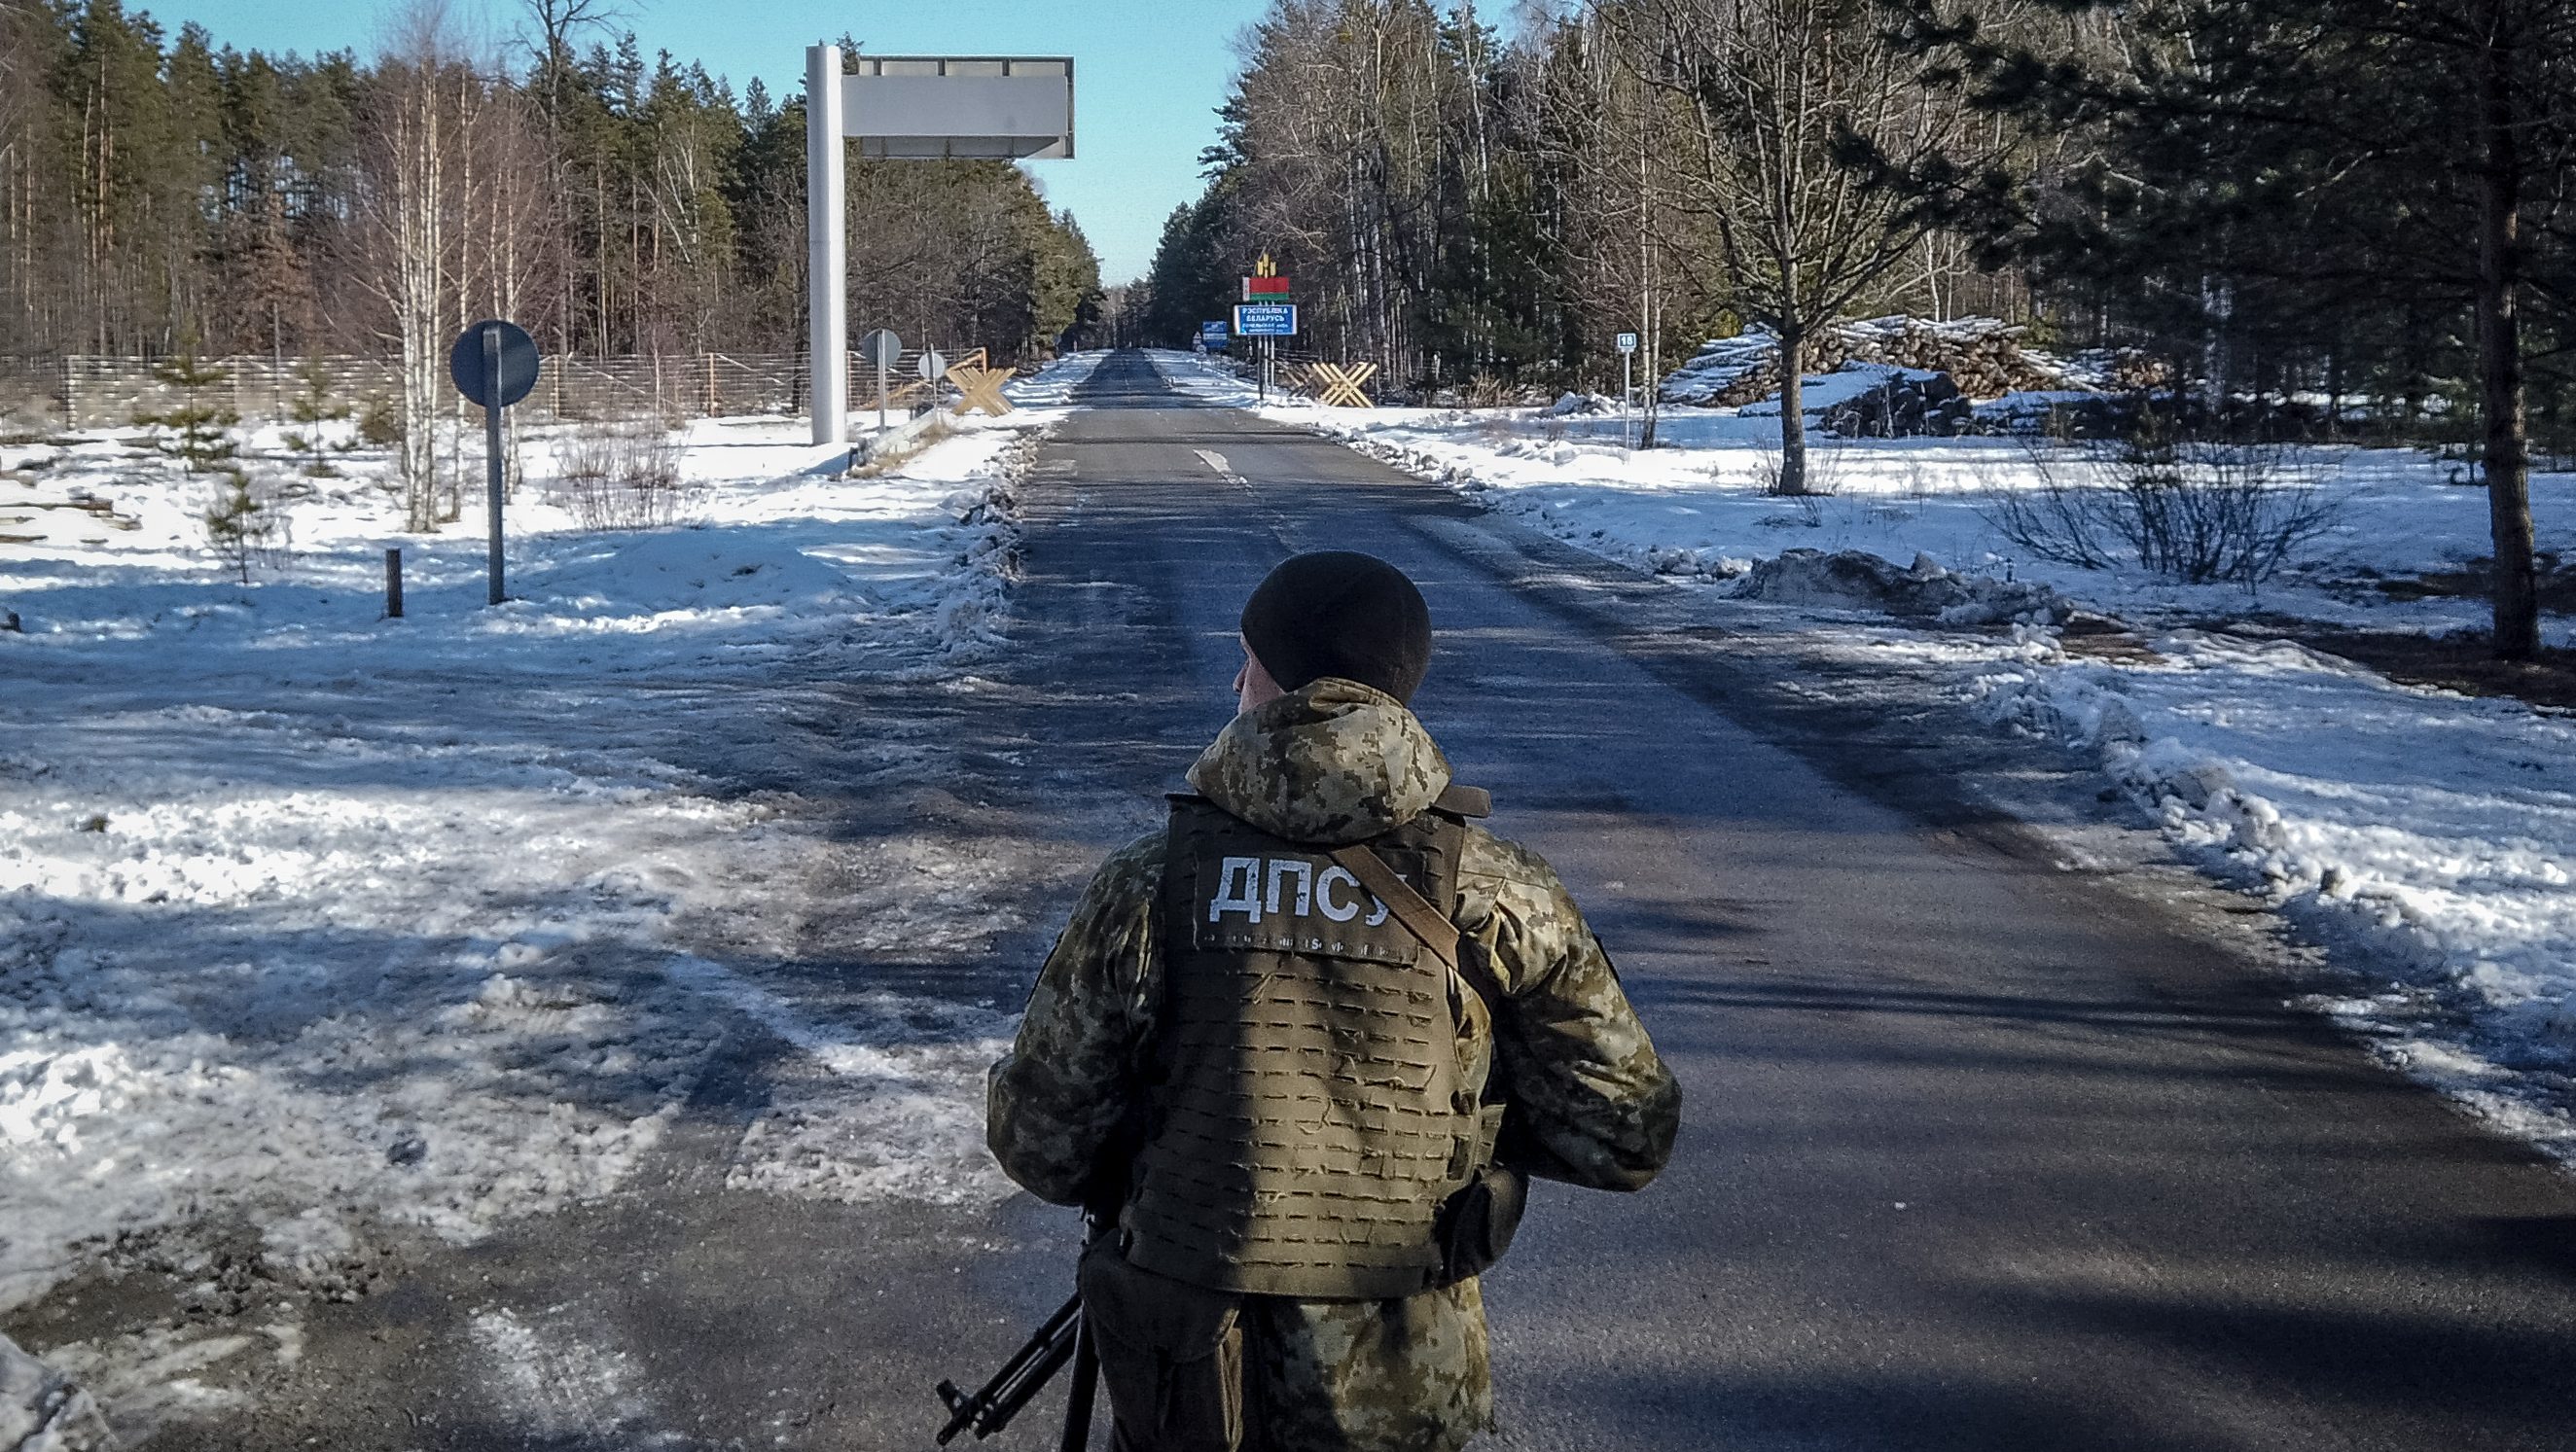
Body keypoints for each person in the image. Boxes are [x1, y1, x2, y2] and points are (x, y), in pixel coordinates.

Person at [987, 550, 1680, 1452]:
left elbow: (1040, 1143)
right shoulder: (1499, 892)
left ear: (1283, 686)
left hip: (1189, 1378)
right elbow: (1629, 1131)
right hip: (1405, 1390)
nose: (1237, 678)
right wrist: (1448, 1121)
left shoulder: (1149, 885)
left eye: (1250, 658)